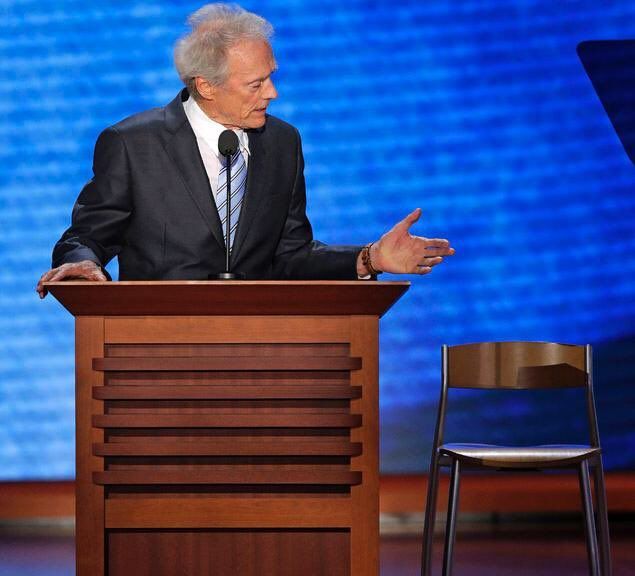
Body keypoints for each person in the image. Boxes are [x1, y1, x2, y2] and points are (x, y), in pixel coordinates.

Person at [36, 3, 454, 298]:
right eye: (256, 84)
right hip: (155, 347)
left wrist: (369, 259)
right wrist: (83, 263)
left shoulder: (282, 142)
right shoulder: (133, 144)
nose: (272, 93)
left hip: (258, 351)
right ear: (206, 86)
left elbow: (290, 255)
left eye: (270, 77)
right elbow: (85, 237)